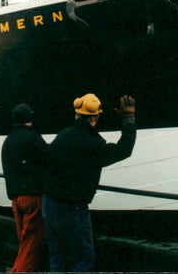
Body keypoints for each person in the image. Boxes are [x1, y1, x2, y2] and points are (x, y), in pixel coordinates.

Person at [43, 93, 136, 272]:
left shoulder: (62, 136)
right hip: (73, 209)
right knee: (84, 259)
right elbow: (124, 149)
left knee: (57, 257)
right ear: (96, 117)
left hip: (50, 204)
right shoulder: (94, 144)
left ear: (77, 114)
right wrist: (129, 119)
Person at [1, 104, 49, 272]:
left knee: (25, 243)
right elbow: (48, 157)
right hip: (33, 197)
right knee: (31, 244)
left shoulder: (8, 141)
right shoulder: (33, 137)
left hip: (16, 199)